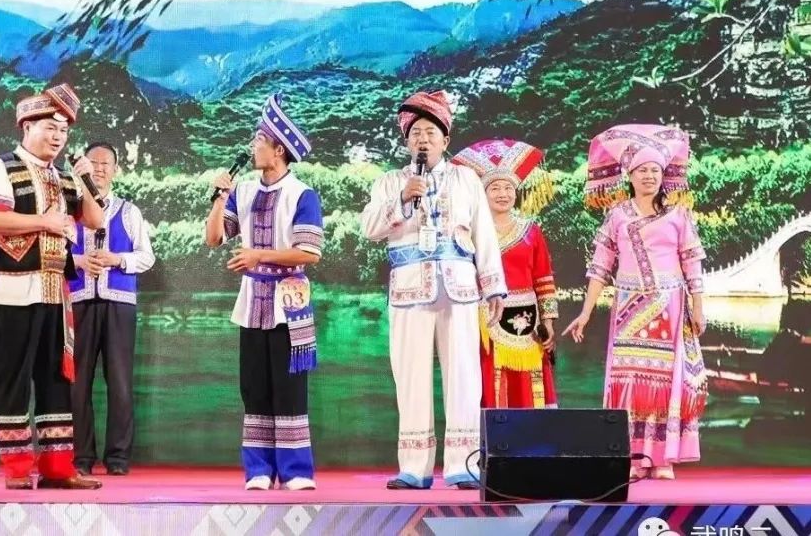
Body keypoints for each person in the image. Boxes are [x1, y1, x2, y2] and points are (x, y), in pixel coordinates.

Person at [360, 90, 507, 490]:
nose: (423, 139)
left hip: (459, 288)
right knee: (410, 375)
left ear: (446, 139)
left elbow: (484, 234)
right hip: (410, 290)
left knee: (464, 375)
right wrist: (401, 200)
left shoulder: (466, 180)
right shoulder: (391, 182)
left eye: (430, 132)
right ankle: (414, 467)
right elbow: (369, 227)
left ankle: (463, 464)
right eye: (416, 134)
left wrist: (494, 287)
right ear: (407, 142)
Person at [563, 124, 708, 480]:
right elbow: (600, 267)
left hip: (670, 306)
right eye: (642, 170)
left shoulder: (678, 215)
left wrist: (698, 306)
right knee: (629, 378)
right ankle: (632, 456)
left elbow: (692, 262)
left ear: (664, 176)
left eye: (655, 170)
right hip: (629, 306)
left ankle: (662, 457)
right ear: (630, 176)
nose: (649, 176)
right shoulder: (617, 215)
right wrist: (585, 312)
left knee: (665, 381)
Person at [0, 83, 105, 490]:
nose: (57, 137)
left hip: (54, 291)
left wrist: (85, 179)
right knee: (13, 379)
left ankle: (57, 467)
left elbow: (96, 220)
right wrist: (45, 222)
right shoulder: (2, 168)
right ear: (26, 126)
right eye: (50, 127)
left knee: (55, 379)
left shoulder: (64, 176)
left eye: (64, 131)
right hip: (13, 290)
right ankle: (17, 468)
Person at [204, 93, 324, 491]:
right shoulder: (243, 191)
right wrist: (220, 199)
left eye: (259, 140)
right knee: (254, 386)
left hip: (288, 299)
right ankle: (258, 469)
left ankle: (296, 471)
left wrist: (259, 255)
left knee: (289, 387)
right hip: (251, 300)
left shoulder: (302, 194)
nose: (253, 146)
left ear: (279, 150)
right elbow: (214, 239)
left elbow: (310, 252)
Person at [70, 142, 156, 477]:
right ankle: (81, 456)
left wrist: (117, 259)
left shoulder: (129, 211)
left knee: (119, 381)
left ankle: (118, 457)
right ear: (83, 168)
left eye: (106, 163)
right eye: (93, 162)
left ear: (116, 170)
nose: (100, 169)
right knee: (77, 382)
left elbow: (146, 257)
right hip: (78, 300)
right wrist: (79, 261)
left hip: (119, 304)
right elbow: (55, 252)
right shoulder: (70, 208)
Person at [452, 139, 559, 408]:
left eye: (508, 188)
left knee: (529, 384)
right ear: (483, 193)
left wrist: (548, 322)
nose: (503, 194)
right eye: (495, 188)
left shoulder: (531, 230)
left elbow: (544, 279)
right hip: (485, 317)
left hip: (529, 318)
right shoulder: (470, 232)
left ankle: (534, 434)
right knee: (489, 378)